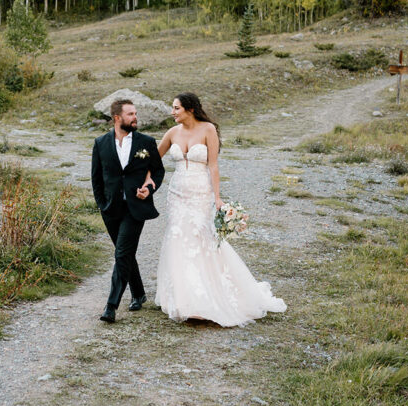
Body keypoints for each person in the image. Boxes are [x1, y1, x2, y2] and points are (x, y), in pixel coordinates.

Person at [155, 92, 286, 327]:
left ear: (190, 109)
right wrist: (145, 178)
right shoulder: (171, 133)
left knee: (202, 238)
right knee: (178, 238)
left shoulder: (208, 130)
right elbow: (153, 159)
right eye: (172, 108)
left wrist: (217, 198)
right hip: (176, 194)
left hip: (201, 193)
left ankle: (208, 297)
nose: (172, 112)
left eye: (176, 108)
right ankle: (184, 299)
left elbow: (213, 165)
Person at [91, 98, 164, 324]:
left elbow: (158, 172)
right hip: (111, 208)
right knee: (126, 253)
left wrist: (149, 188)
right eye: (130, 114)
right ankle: (139, 293)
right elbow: (96, 178)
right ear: (117, 118)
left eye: (135, 113)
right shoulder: (100, 143)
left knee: (121, 253)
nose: (135, 118)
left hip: (135, 207)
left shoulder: (146, 142)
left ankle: (111, 306)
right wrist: (102, 203)